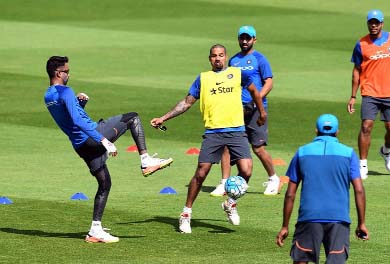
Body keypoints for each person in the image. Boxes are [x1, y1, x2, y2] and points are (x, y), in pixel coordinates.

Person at [44, 56, 173, 243]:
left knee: (105, 184)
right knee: (132, 118)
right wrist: (104, 140)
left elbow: (69, 118)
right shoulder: (65, 92)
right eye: (67, 71)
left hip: (80, 146)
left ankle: (95, 230)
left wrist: (79, 104)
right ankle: (146, 161)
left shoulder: (49, 95)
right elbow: (79, 121)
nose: (69, 75)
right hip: (92, 137)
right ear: (58, 73)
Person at [150, 44, 266, 234]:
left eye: (221, 55)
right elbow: (187, 102)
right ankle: (186, 213)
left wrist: (262, 112)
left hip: (236, 130)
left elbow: (254, 91)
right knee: (201, 173)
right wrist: (163, 117)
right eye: (214, 56)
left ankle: (230, 203)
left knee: (246, 169)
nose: (218, 58)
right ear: (209, 59)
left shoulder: (238, 74)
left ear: (226, 57)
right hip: (214, 132)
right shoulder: (203, 78)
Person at [276, 114, 368, 264]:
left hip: (308, 217)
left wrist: (285, 226)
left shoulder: (302, 152)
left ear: (316, 130)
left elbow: (290, 194)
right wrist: (361, 223)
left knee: (301, 260)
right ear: (337, 131)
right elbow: (359, 190)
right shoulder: (348, 154)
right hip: (339, 218)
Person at [210, 25, 279, 197]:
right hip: (237, 109)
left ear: (254, 39)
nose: (245, 41)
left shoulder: (260, 59)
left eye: (248, 38)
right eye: (242, 38)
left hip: (256, 109)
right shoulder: (233, 61)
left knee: (258, 147)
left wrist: (257, 100)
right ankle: (224, 183)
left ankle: (273, 179)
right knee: (226, 145)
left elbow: (268, 82)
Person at [347, 9, 390, 179]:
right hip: (370, 92)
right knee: (366, 126)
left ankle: (386, 150)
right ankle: (363, 164)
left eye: (377, 22)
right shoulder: (361, 44)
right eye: (371, 22)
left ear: (382, 23)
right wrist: (353, 96)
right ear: (368, 23)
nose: (374, 25)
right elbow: (356, 70)